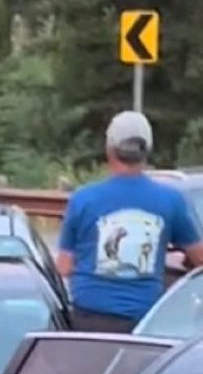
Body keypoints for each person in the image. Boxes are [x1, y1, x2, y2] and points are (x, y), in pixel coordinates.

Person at [55, 110, 203, 331]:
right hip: (146, 324)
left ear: (109, 149)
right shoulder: (171, 201)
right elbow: (199, 258)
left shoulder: (83, 200)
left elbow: (64, 267)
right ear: (147, 150)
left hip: (89, 322)